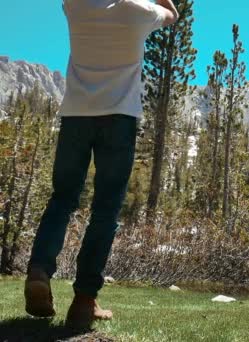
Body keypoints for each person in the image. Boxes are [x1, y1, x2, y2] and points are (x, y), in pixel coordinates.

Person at [24, 0, 179, 329]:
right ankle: (83, 301)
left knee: (63, 199)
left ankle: (39, 270)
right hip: (118, 122)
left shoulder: (75, 6)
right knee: (106, 210)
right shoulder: (139, 13)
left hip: (76, 118)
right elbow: (171, 15)